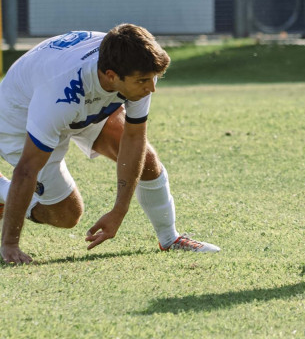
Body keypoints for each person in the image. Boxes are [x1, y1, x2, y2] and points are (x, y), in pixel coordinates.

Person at [0, 25, 220, 265]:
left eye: (153, 78)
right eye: (143, 81)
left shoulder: (133, 61)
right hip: (19, 118)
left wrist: (119, 210)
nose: (151, 88)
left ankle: (170, 238)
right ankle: (2, 189)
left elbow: (134, 139)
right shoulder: (60, 96)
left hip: (79, 100)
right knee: (66, 215)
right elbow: (26, 170)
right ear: (112, 75)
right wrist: (10, 244)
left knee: (146, 161)